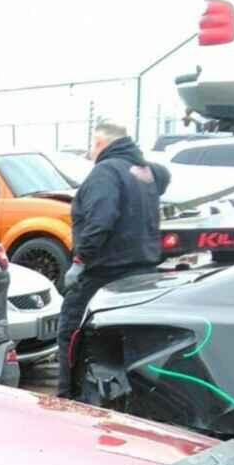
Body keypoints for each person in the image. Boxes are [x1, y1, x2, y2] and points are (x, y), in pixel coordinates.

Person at [55, 122, 172, 357]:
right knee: (131, 340)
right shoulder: (145, 171)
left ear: (99, 143)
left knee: (72, 333)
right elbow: (164, 175)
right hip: (144, 271)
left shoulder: (105, 172)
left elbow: (101, 221)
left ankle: (67, 393)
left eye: (92, 145)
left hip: (104, 273)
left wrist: (79, 261)